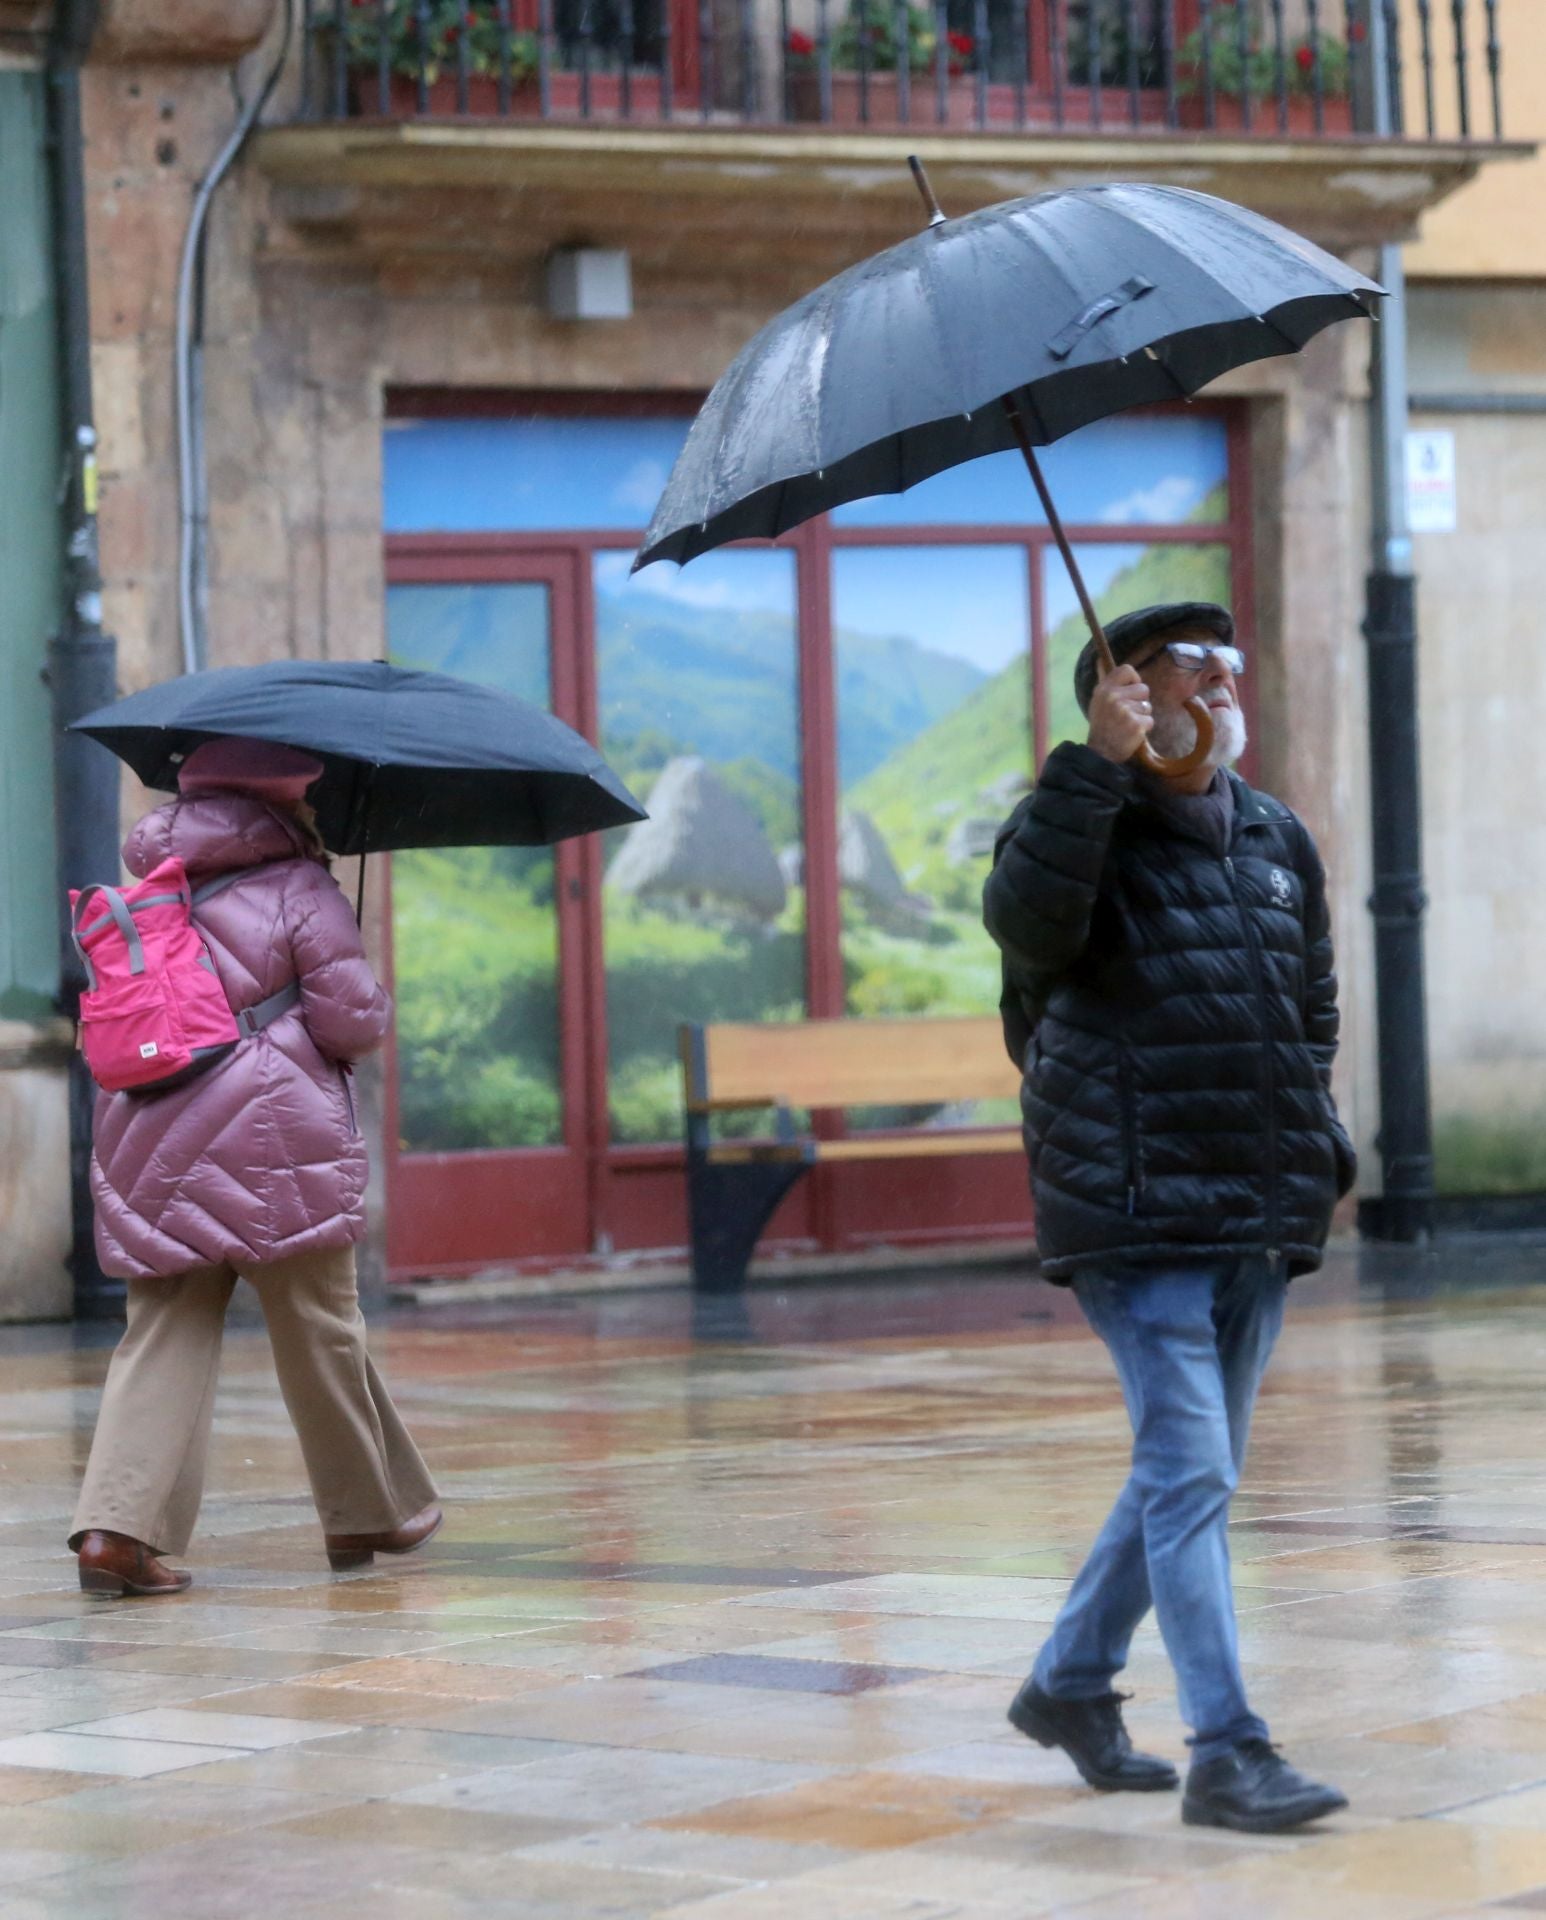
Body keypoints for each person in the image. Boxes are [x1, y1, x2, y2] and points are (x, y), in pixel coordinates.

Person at [982, 603, 1356, 1835]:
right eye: (1188, 669)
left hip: (1255, 1193)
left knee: (1188, 1473)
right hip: (1133, 1202)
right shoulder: (1068, 822)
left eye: (1226, 666)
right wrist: (1090, 767)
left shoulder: (1271, 832)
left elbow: (1311, 1002)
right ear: (1123, 693)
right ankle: (1228, 1750)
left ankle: (1069, 1686)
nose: (1217, 687)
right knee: (1191, 1467)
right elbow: (1031, 931)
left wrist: (1317, 1135)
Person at [70, 736, 440, 1597]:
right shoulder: (301, 884)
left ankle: (116, 1532)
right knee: (319, 1323)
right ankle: (365, 1512)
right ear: (284, 800)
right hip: (276, 1141)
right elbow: (350, 1023)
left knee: (162, 1330)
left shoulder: (144, 887)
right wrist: (372, 993)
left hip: (146, 1136)